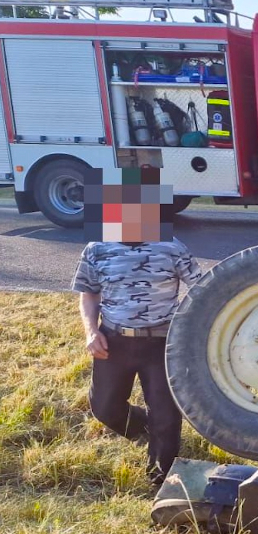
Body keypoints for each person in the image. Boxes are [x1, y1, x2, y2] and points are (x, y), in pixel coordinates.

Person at [72, 167, 203, 484]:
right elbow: (89, 295)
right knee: (103, 408)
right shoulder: (97, 248)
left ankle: (161, 478)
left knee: (167, 415)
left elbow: (203, 290)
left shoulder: (172, 247)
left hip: (162, 344)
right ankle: (147, 429)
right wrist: (91, 331)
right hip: (113, 341)